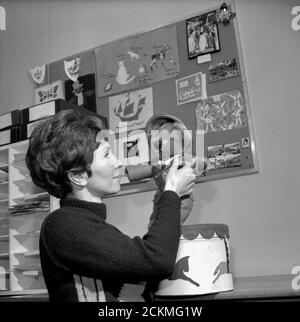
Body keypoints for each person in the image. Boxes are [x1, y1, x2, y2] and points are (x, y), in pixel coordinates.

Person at [25, 109, 196, 302]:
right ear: (78, 175)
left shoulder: (95, 228)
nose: (117, 163)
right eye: (107, 155)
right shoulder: (62, 225)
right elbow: (158, 260)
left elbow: (143, 275)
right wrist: (172, 191)